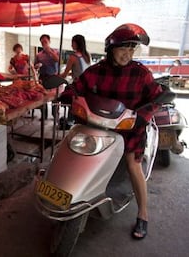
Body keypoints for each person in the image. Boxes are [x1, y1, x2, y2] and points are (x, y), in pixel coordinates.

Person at [72, 23, 164, 240]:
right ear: (111, 49)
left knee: (133, 165)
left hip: (130, 128)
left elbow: (157, 97)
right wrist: (67, 94)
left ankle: (143, 214)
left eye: (132, 49)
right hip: (99, 128)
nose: (128, 54)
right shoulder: (95, 72)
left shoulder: (141, 73)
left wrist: (143, 116)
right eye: (124, 48)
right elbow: (76, 87)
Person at [34, 34, 60, 119]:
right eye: (42, 42)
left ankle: (55, 114)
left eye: (45, 41)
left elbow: (58, 60)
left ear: (49, 41)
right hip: (43, 77)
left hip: (53, 77)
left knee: (54, 97)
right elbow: (35, 66)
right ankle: (43, 115)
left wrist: (50, 52)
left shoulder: (55, 51)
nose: (43, 44)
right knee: (43, 96)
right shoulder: (39, 55)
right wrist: (37, 66)